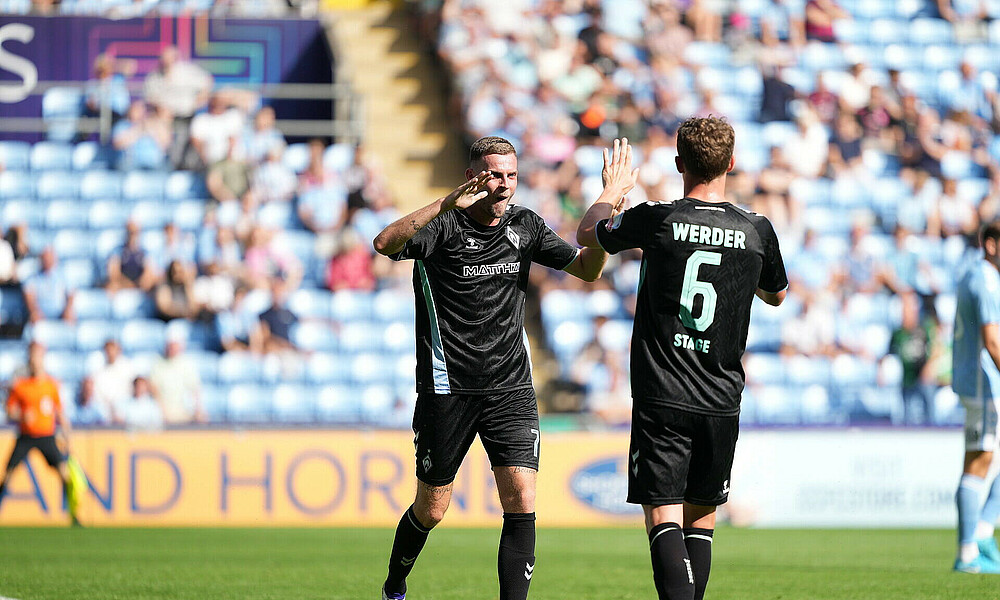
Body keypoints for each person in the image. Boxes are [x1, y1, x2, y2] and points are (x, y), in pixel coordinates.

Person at [372, 135, 616, 600]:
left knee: (522, 500)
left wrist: (606, 213)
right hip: (448, 389)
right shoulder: (442, 226)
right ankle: (395, 582)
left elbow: (588, 270)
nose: (504, 185)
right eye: (494, 176)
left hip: (511, 388)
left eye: (511, 176)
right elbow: (385, 242)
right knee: (433, 508)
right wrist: (446, 203)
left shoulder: (526, 225)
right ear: (473, 178)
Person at [576, 119, 788, 600]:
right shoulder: (757, 229)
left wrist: (612, 190)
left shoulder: (658, 218)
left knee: (662, 513)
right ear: (732, 164)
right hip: (721, 396)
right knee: (703, 518)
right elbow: (775, 295)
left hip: (662, 392)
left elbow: (588, 233)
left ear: (678, 165)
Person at [951, 220, 1000, 574]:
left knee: (979, 458)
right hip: (984, 385)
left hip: (980, 382)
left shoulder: (979, 275)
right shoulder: (984, 279)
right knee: (979, 460)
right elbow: (993, 340)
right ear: (991, 244)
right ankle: (970, 550)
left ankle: (980, 534)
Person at [0, 342, 79, 526]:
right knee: (8, 474)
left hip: (46, 436)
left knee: (65, 475)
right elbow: (10, 410)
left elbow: (60, 413)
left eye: (37, 356)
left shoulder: (51, 385)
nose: (34, 361)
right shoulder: (21, 386)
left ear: (42, 359)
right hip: (26, 436)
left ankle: (73, 515)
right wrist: (21, 415)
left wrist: (67, 436)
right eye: (32, 357)